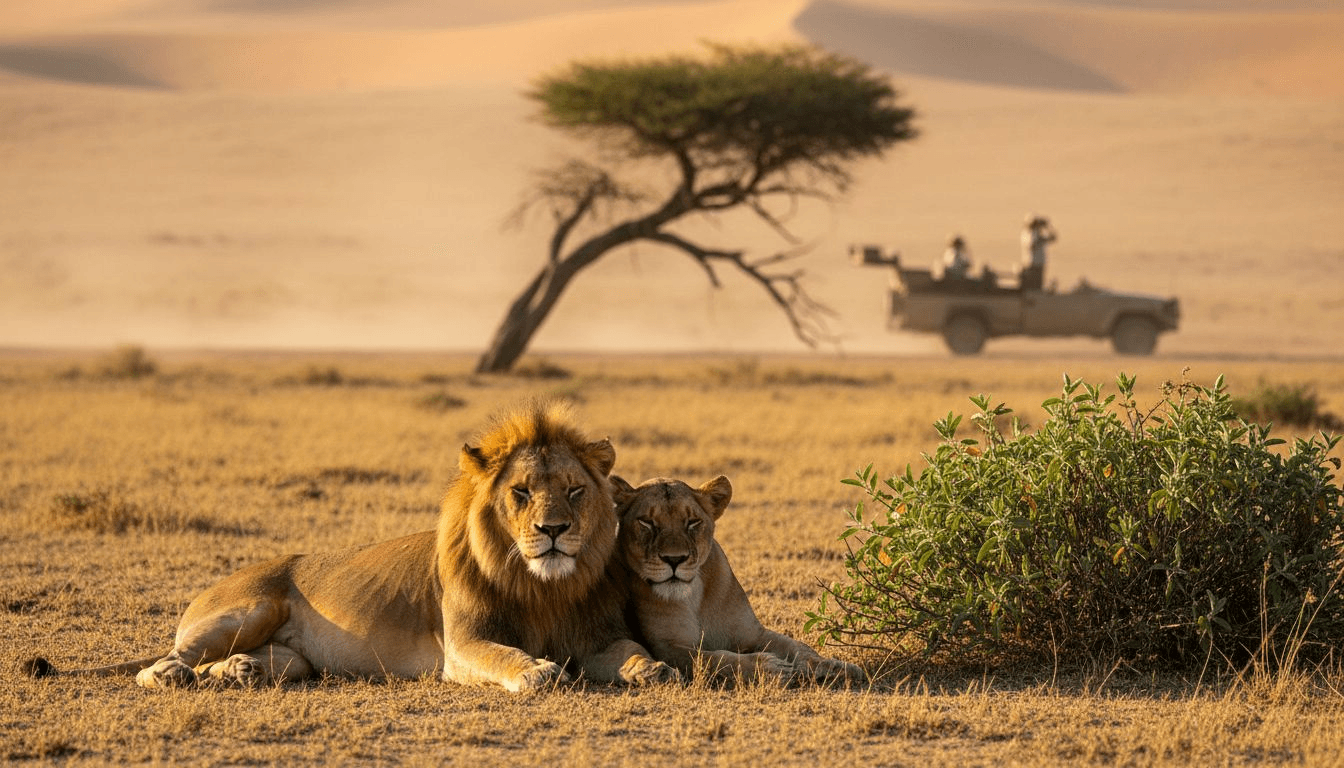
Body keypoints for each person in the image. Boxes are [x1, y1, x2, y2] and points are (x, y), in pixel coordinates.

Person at [1019, 214, 1056, 291]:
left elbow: (1053, 238)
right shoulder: (1026, 233)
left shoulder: (1037, 234)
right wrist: (1041, 233)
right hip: (1030, 265)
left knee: (1037, 288)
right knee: (1031, 289)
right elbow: (1032, 245)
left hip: (1039, 264)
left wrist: (1048, 227)